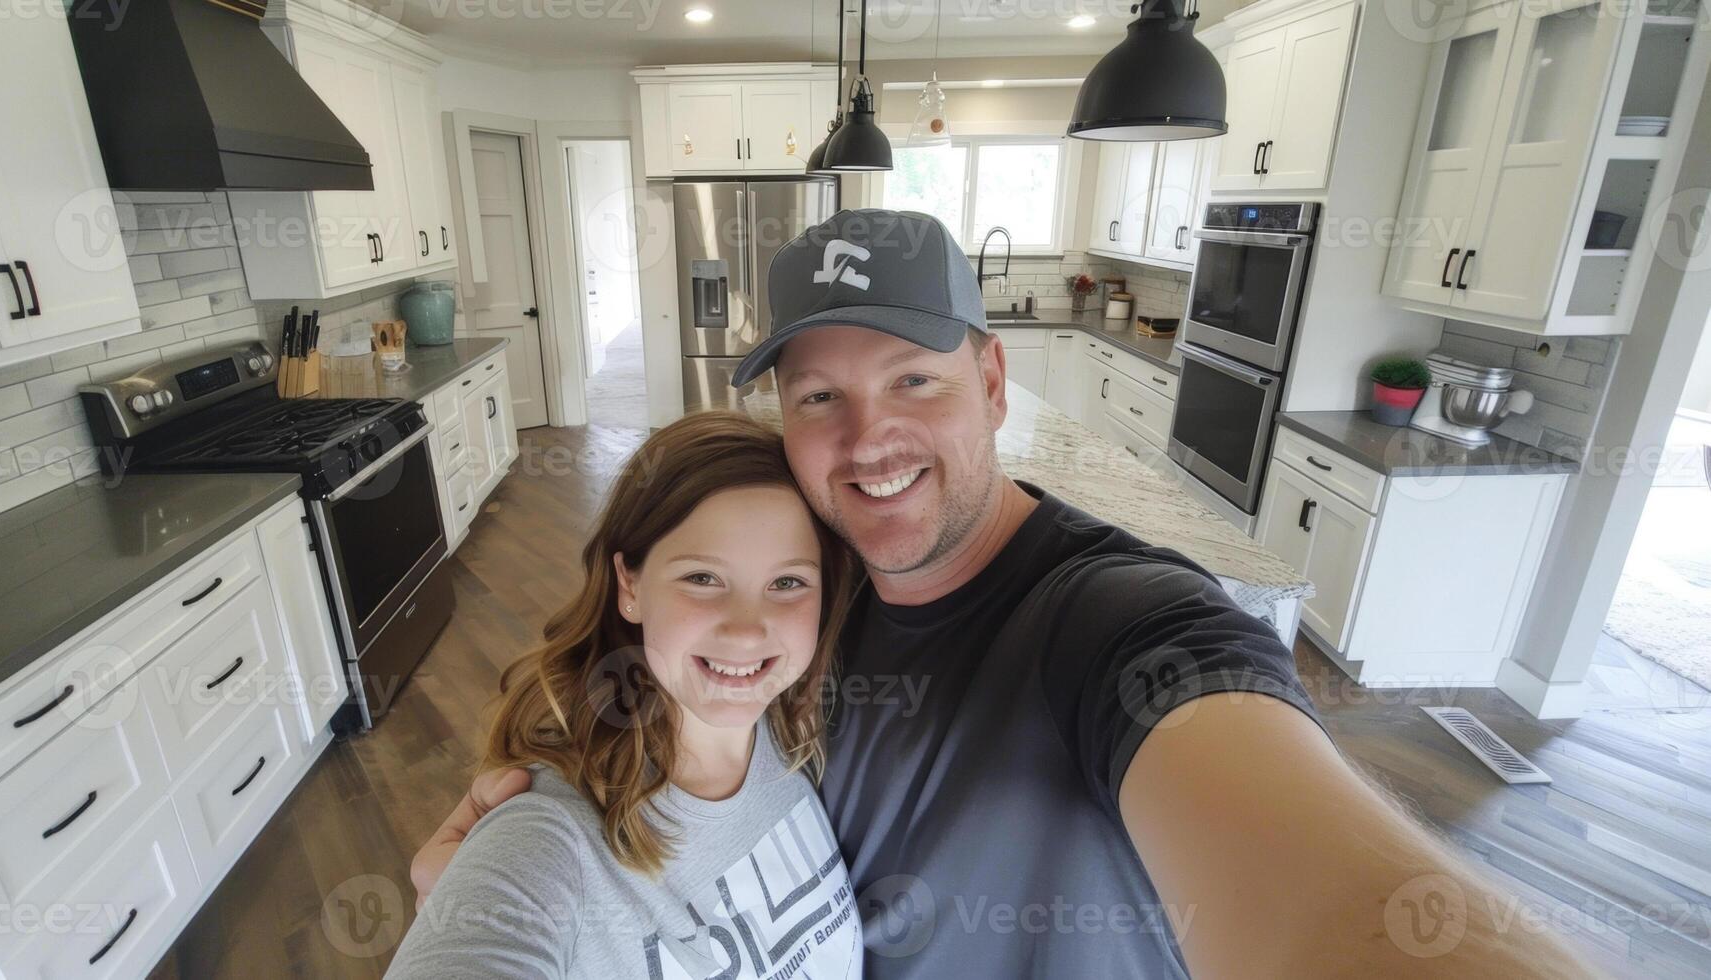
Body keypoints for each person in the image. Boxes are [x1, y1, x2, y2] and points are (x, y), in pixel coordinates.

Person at [411, 209, 1592, 977]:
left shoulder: (1119, 623)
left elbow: (1349, 911)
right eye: (819, 396)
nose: (867, 438)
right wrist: (499, 855)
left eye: (912, 378)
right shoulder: (815, 597)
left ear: (990, 378)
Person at [386, 413, 863, 978]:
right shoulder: (547, 835)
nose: (746, 630)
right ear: (630, 585)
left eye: (787, 582)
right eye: (702, 578)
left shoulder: (798, 731)